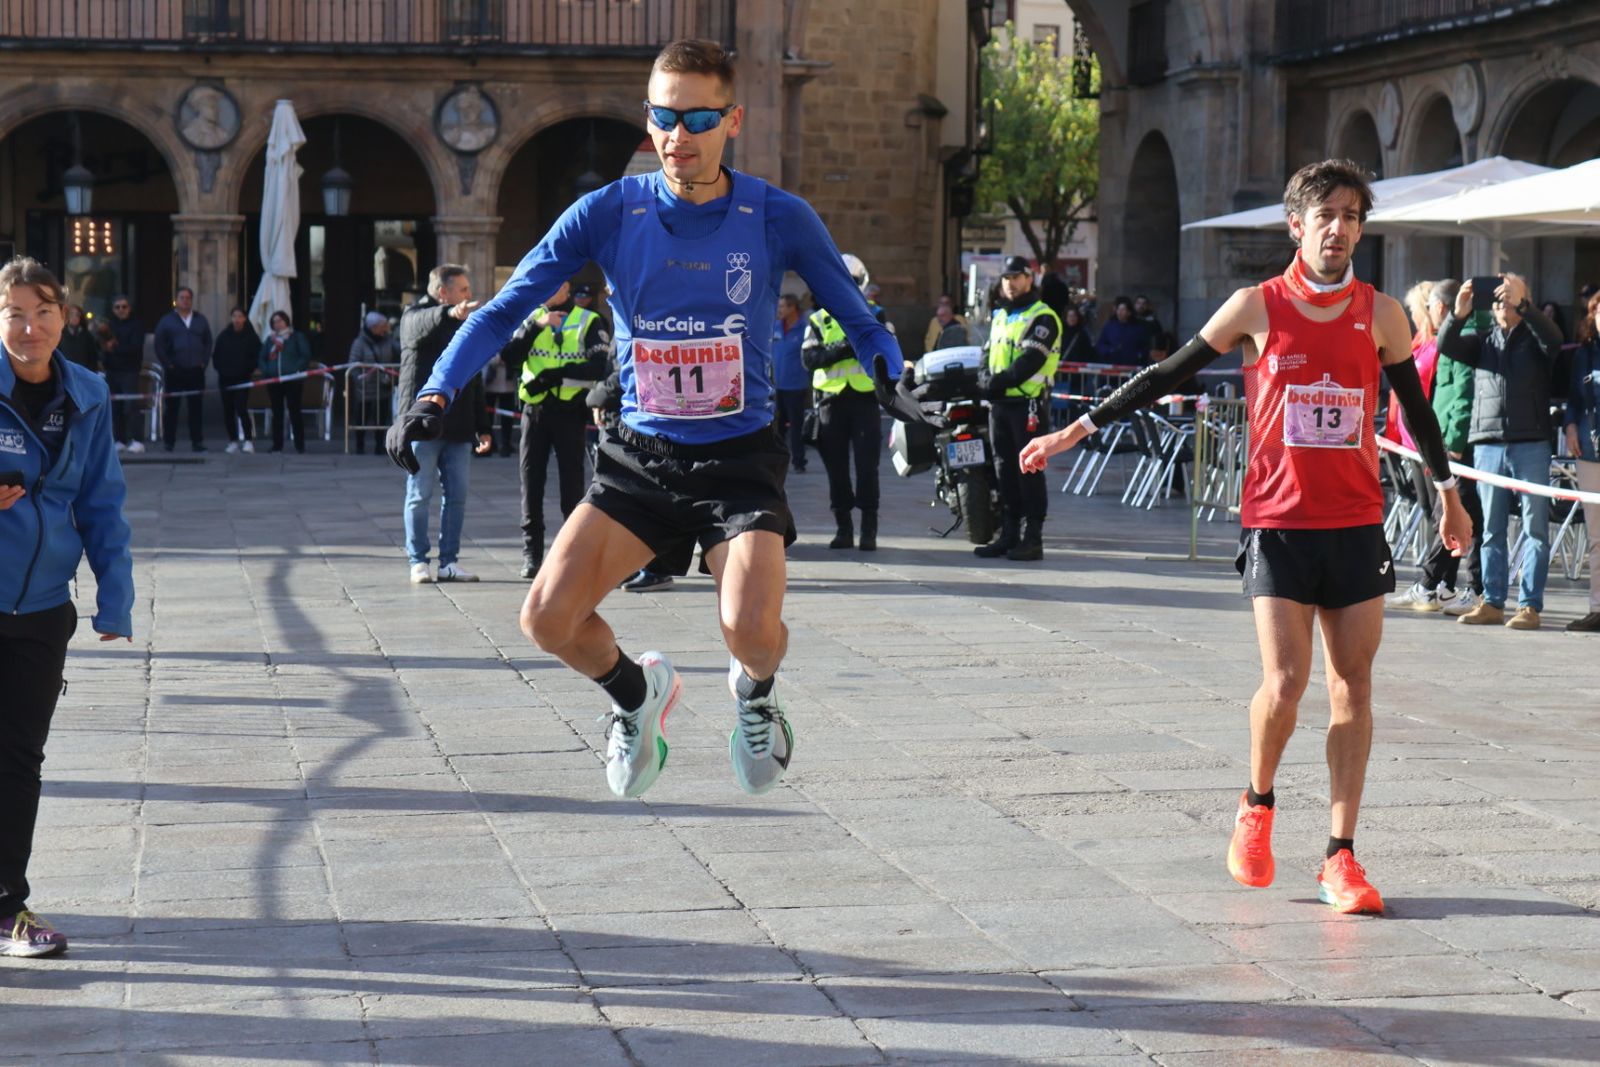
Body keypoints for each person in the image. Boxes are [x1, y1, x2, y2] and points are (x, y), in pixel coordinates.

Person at [385, 38, 933, 799]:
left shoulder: (778, 215)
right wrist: (436, 392)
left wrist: (890, 376)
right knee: (545, 619)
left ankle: (756, 694)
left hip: (739, 457)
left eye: (700, 118)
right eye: (665, 117)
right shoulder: (608, 212)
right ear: (649, 119)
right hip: (640, 456)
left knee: (749, 631)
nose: (680, 135)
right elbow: (506, 308)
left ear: (732, 120)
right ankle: (637, 695)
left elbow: (858, 316)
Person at [1020, 159, 1470, 915]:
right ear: (1296, 225)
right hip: (1279, 521)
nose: (1339, 229)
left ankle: (1340, 855)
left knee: (1354, 687)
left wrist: (1449, 498)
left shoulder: (1383, 314)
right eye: (1326, 215)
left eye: (1352, 217)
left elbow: (1417, 414)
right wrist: (1076, 428)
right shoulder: (1256, 306)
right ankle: (1257, 803)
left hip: (1356, 522)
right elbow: (1167, 374)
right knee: (1286, 683)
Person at [0, 257, 134, 958]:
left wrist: (117, 596)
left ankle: (6, 906)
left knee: (19, 757)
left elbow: (102, 498)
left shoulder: (88, 394)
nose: (30, 327)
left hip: (44, 608)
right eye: (15, 314)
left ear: (64, 316)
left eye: (43, 312)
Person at [1438, 273, 1562, 630]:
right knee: (1491, 528)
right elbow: (1446, 344)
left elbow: (1554, 339)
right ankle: (1492, 601)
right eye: (1497, 300)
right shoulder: (1481, 340)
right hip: (1488, 442)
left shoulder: (1536, 338)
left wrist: (1525, 305)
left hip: (1531, 443)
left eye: (1508, 298)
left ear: (1523, 302)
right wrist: (1458, 314)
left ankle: (1529, 606)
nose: (1501, 304)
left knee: (1535, 528)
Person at [396, 264, 493, 584]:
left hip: (459, 425)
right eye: (462, 290)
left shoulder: (465, 326)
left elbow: (473, 378)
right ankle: (418, 561)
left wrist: (483, 426)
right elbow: (418, 324)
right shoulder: (414, 315)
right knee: (419, 494)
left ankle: (449, 562)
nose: (468, 295)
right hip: (423, 424)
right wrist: (449, 314)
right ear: (443, 292)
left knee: (457, 496)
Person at [1395, 279, 1484, 616]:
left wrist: (1455, 444)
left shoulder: (1461, 340)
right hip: (1442, 442)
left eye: (1430, 307)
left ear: (1442, 308)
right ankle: (1441, 584)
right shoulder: (1451, 338)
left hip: (1455, 447)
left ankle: (1450, 585)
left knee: (1458, 515)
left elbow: (1462, 394)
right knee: (1449, 514)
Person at [510, 280, 609, 579]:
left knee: (572, 486)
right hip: (535, 411)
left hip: (570, 412)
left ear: (565, 287)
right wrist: (535, 327)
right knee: (531, 482)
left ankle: (571, 554)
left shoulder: (588, 319)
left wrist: (555, 375)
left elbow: (598, 366)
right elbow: (509, 357)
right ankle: (532, 553)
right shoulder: (531, 316)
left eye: (552, 283)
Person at [974, 254, 1060, 562]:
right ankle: (1009, 534)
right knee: (1004, 470)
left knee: (1029, 471)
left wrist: (993, 383)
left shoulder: (1043, 316)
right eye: (1006, 278)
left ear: (1029, 278)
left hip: (1028, 405)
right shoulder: (1001, 315)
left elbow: (1030, 362)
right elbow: (986, 353)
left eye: (1016, 277)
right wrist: (983, 378)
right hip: (1000, 405)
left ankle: (1033, 538)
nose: (1010, 283)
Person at [803, 253, 892, 551]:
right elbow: (809, 358)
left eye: (852, 281)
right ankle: (844, 528)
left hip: (865, 400)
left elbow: (887, 351)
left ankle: (869, 530)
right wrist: (846, 347)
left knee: (868, 468)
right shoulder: (818, 319)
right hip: (831, 402)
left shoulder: (876, 314)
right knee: (836, 470)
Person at [1384, 280, 1446, 610]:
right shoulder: (1416, 343)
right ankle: (1436, 581)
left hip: (1425, 442)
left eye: (1412, 309)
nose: (1409, 315)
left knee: (1437, 511)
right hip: (1408, 442)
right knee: (1425, 508)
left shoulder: (1435, 346)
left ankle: (1435, 582)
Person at [1563, 289, 1600, 632]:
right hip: (1590, 453)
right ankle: (1597, 607)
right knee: (1596, 534)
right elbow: (1573, 398)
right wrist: (1570, 425)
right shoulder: (1584, 355)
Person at [153, 286, 212, 453]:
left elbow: (208, 342)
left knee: (196, 408)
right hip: (175, 370)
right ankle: (169, 442)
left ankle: (197, 442)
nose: (185, 301)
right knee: (172, 408)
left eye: (188, 298)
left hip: (195, 370)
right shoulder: (167, 321)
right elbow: (159, 344)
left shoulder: (200, 320)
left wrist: (204, 362)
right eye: (182, 297)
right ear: (176, 300)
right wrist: (168, 364)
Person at [258, 310, 311, 454]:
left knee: (295, 411)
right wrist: (267, 370)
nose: (278, 324)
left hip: (292, 380)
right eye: (275, 321)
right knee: (277, 413)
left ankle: (299, 444)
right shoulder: (270, 340)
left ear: (286, 321)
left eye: (280, 320)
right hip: (274, 380)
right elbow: (262, 358)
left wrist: (295, 369)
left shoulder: (296, 337)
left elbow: (305, 355)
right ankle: (277, 445)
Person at [348, 310, 399, 455]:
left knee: (381, 418)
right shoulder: (359, 343)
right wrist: (360, 380)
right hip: (365, 389)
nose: (386, 329)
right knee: (362, 417)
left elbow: (399, 351)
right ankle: (360, 445)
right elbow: (353, 364)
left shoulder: (388, 340)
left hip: (383, 387)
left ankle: (379, 445)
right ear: (373, 327)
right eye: (383, 326)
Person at [212, 306, 259, 454]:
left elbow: (256, 356)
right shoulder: (224, 336)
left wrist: (246, 369)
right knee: (228, 411)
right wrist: (222, 369)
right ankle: (232, 441)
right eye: (234, 316)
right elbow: (216, 356)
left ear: (244, 318)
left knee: (242, 409)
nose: (237, 319)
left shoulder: (251, 336)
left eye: (240, 316)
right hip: (225, 379)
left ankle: (248, 440)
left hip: (242, 379)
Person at [771, 293, 809, 474]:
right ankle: (779, 461)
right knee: (778, 427)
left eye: (782, 306)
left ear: (792, 307)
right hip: (777, 386)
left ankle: (798, 461)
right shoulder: (775, 327)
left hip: (796, 385)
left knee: (796, 426)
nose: (779, 310)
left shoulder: (805, 328)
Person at [103, 295, 145, 453]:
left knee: (131, 406)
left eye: (124, 306)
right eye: (117, 307)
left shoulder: (136, 325)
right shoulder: (109, 325)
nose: (121, 310)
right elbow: (102, 346)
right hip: (112, 370)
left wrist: (114, 348)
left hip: (129, 371)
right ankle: (119, 439)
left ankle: (137, 440)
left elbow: (135, 347)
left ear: (129, 308)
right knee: (115, 407)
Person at [1094, 296, 1151, 366]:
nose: (1120, 312)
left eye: (1123, 309)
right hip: (1112, 365)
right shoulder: (1109, 326)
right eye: (1118, 309)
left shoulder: (1138, 328)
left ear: (1129, 312)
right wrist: (1110, 350)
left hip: (1131, 366)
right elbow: (1100, 344)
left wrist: (1138, 355)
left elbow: (1145, 347)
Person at [58, 304, 98, 371]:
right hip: (65, 371)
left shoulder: (87, 336)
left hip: (83, 372)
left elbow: (93, 358)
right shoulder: (60, 334)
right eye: (71, 314)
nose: (74, 317)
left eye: (77, 315)